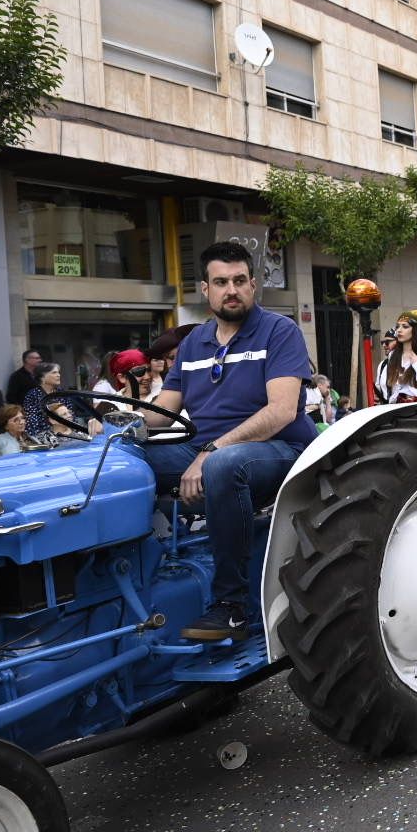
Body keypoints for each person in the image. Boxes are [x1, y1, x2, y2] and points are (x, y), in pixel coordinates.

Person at [141, 240, 318, 642]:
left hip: (282, 450)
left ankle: (232, 606)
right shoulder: (193, 343)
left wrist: (210, 451)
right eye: (221, 282)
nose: (231, 290)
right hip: (208, 448)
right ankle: (143, 578)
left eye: (239, 280)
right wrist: (115, 425)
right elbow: (161, 409)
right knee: (129, 463)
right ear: (206, 290)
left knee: (224, 465)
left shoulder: (279, 331)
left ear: (253, 285)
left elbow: (281, 411)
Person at [376, 310, 417, 403]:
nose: (399, 330)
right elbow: (384, 386)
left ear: (415, 330)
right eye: (398, 326)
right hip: (395, 409)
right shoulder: (393, 355)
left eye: (405, 327)